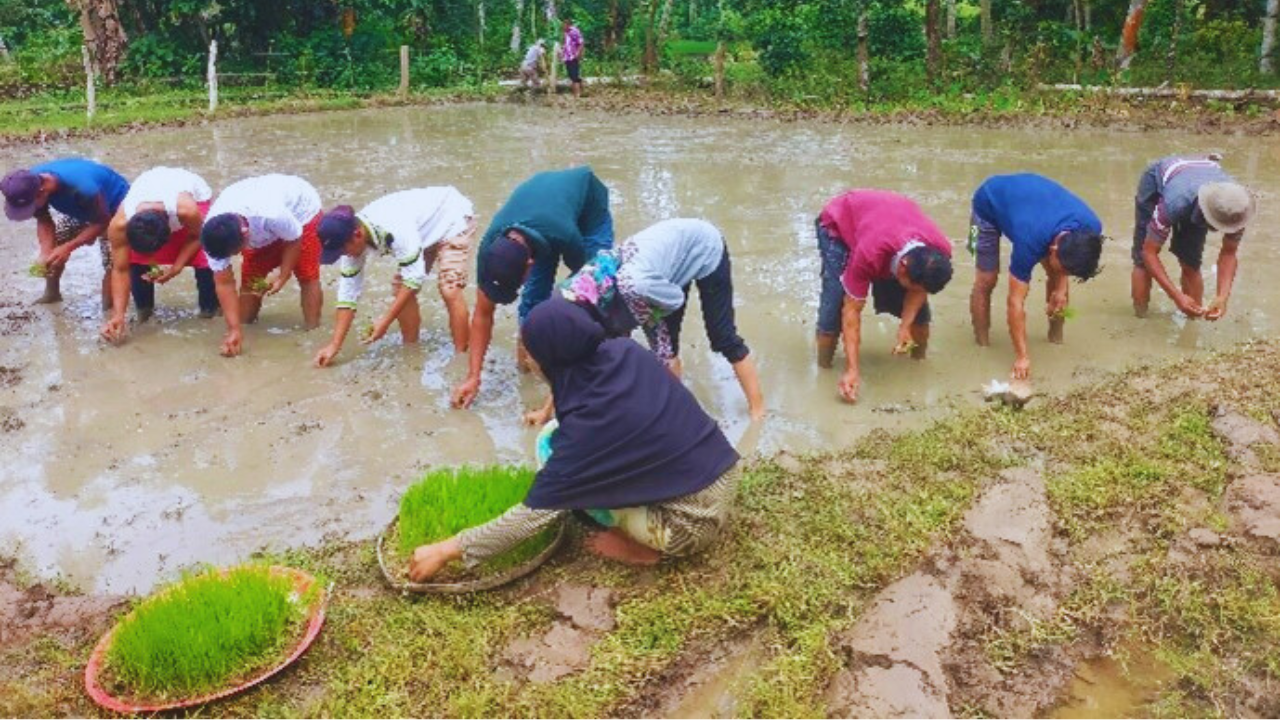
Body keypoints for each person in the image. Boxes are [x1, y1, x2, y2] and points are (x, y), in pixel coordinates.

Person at [408, 296, 741, 581]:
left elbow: (533, 515)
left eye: (531, 351)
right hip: (722, 473)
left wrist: (445, 550)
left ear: (551, 358)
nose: (527, 358)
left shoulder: (589, 425)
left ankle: (640, 549)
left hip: (691, 524)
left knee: (566, 476)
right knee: (552, 434)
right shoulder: (623, 351)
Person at [554, 218, 765, 421]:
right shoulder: (586, 292)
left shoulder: (637, 289)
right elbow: (578, 362)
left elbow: (675, 298)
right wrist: (550, 410)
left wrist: (652, 323)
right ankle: (675, 410)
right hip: (661, 266)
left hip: (704, 246)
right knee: (667, 349)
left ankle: (758, 411)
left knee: (722, 337)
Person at [451, 166, 613, 409]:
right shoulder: (490, 249)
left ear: (529, 264)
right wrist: (474, 377)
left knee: (598, 288)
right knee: (533, 300)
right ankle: (527, 363)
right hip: (543, 211)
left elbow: (590, 288)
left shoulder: (565, 234)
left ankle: (603, 367)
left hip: (586, 202)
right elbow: (483, 314)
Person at [814, 189, 954, 404]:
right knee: (833, 310)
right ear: (903, 267)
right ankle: (823, 370)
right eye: (915, 287)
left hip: (888, 223)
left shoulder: (939, 251)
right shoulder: (870, 253)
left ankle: (918, 366)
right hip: (839, 225)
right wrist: (852, 370)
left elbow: (920, 290)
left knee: (921, 320)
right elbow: (852, 312)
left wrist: (905, 326)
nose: (919, 292)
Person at [313, 187, 477, 367]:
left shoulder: (394, 226)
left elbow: (414, 279)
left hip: (452, 218)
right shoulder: (351, 240)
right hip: (421, 232)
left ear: (357, 235)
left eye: (343, 250)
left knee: (450, 289)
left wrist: (385, 321)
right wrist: (334, 346)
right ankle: (412, 348)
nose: (345, 255)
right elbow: (348, 295)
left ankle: (462, 357)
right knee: (400, 288)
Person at [968, 173, 1104, 381]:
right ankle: (982, 343)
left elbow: (1062, 267)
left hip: (1034, 205)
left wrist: (1060, 289)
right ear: (1053, 248)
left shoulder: (1092, 229)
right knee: (986, 280)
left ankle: (1055, 338)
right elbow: (1015, 302)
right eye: (1064, 269)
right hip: (984, 206)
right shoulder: (1028, 242)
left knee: (1058, 279)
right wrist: (1022, 357)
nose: (1065, 275)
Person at [200, 174, 324, 357]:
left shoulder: (271, 213)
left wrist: (283, 274)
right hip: (260, 219)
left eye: (235, 253)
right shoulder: (212, 236)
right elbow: (224, 283)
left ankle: (313, 332)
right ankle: (244, 328)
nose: (233, 257)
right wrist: (234, 329)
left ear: (245, 236)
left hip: (302, 213)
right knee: (251, 282)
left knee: (307, 274)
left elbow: (295, 238)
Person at [1131, 154, 1257, 321]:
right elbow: (1149, 252)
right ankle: (1140, 318)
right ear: (1206, 213)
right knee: (1142, 261)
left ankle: (1193, 319)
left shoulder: (1237, 209)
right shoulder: (1175, 203)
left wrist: (1222, 297)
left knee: (1191, 262)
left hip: (1202, 181)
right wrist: (1176, 296)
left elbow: (1229, 252)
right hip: (1161, 177)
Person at [100, 167, 217, 344]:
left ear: (170, 231)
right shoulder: (119, 225)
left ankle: (210, 311)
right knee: (136, 262)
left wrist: (176, 267)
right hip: (152, 190)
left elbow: (197, 237)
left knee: (206, 258)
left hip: (192, 196)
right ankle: (144, 312)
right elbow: (120, 269)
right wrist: (118, 315)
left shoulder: (187, 211)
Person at [1, 158, 129, 306]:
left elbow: (102, 221)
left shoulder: (84, 189)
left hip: (114, 209)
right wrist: (45, 252)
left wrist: (70, 246)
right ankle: (52, 293)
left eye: (30, 206)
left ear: (41, 193)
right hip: (83, 209)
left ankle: (109, 309)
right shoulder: (29, 184)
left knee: (112, 260)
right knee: (58, 240)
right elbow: (44, 220)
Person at [560, 15, 584, 98]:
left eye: (564, 25)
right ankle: (581, 91)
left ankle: (577, 94)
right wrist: (562, 54)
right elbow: (565, 45)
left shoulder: (574, 31)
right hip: (567, 57)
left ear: (568, 25)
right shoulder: (565, 33)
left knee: (574, 76)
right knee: (571, 75)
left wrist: (578, 54)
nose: (562, 26)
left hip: (573, 56)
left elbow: (581, 43)